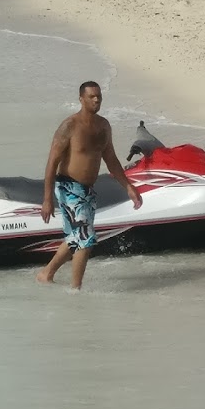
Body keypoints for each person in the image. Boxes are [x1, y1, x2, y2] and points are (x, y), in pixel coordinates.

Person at [36, 81, 143, 289]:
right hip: (69, 188)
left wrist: (128, 187)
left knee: (76, 236)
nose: (96, 100)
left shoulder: (103, 126)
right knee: (85, 238)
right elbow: (52, 163)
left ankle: (46, 274)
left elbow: (111, 159)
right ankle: (76, 291)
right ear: (81, 99)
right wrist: (47, 199)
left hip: (87, 190)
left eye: (99, 96)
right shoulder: (70, 126)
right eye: (92, 96)